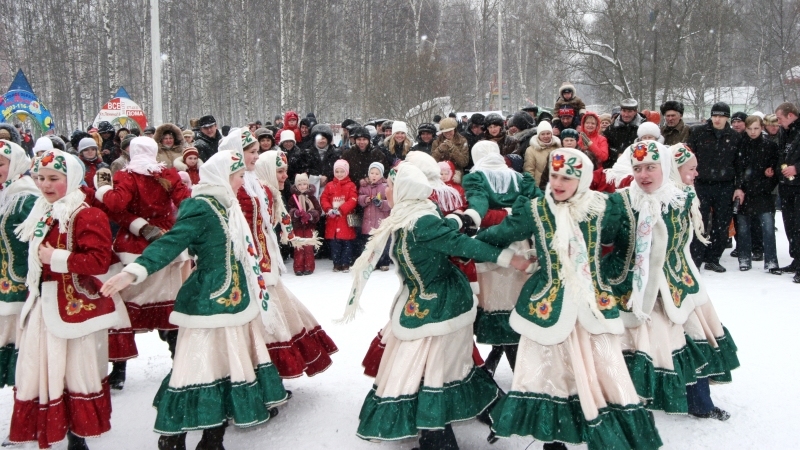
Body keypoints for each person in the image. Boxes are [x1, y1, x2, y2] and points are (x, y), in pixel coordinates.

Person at [101, 150, 288, 449]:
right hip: (206, 302)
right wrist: (134, 271)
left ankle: (213, 438)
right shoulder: (201, 207)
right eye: (239, 176)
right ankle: (173, 436)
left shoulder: (227, 205)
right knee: (195, 368)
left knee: (227, 367)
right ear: (225, 176)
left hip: (235, 301)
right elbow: (173, 242)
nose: (242, 182)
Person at [476, 147, 662, 450]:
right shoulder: (536, 209)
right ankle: (554, 440)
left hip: (591, 309)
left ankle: (602, 433)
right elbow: (497, 234)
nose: (559, 183)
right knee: (550, 376)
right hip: (546, 308)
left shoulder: (603, 207)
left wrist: (605, 278)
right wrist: (465, 244)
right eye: (555, 175)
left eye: (568, 177)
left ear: (584, 179)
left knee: (599, 376)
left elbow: (622, 242)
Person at [341, 163, 527, 450]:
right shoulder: (408, 214)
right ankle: (443, 434)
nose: (386, 190)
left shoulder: (420, 219)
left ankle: (442, 439)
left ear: (405, 189)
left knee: (436, 372)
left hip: (441, 304)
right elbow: (447, 229)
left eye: (391, 185)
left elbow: (459, 244)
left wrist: (506, 258)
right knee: (434, 371)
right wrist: (456, 220)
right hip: (423, 302)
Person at [11, 149, 121, 449]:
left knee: (74, 371)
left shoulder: (87, 214)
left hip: (75, 310)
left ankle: (76, 435)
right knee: (41, 368)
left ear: (70, 178)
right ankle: (52, 426)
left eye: (53, 178)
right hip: (42, 304)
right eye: (40, 178)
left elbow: (99, 261)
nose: (45, 185)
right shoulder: (42, 211)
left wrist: (57, 257)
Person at [611, 141, 712, 415]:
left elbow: (684, 245)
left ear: (664, 167)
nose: (643, 175)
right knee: (633, 348)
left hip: (675, 287)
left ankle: (699, 403)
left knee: (688, 340)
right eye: (637, 168)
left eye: (650, 167)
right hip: (631, 290)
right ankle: (629, 410)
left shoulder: (681, 199)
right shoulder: (621, 200)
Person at [93, 136, 191, 390]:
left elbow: (115, 205)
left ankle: (119, 368)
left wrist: (102, 189)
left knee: (123, 308)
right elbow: (186, 201)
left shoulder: (126, 176)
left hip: (133, 248)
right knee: (169, 303)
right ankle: (180, 361)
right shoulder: (167, 173)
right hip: (166, 245)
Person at [670, 143, 740, 421]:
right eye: (691, 169)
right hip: (675, 282)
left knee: (691, 337)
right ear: (675, 171)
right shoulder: (670, 200)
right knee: (691, 337)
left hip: (686, 277)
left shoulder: (685, 194)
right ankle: (696, 401)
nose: (697, 174)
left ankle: (694, 399)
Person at [253, 150, 338, 378]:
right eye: (279, 171)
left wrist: (296, 238)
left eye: (285, 171)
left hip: (265, 261)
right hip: (259, 265)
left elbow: (282, 222)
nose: (284, 176)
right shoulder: (259, 192)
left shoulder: (268, 192)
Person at [461, 141, 541, 375]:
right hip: (521, 246)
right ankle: (500, 358)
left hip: (492, 247)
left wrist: (478, 218)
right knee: (515, 303)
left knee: (498, 306)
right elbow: (539, 204)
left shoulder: (476, 178)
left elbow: (479, 212)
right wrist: (514, 215)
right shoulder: (521, 179)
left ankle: (518, 373)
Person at [687, 102, 744, 272]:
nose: (717, 119)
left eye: (721, 116)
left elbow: (739, 164)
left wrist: (738, 186)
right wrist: (689, 179)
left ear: (727, 117)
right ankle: (695, 259)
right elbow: (688, 157)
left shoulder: (734, 136)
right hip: (701, 184)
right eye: (714, 115)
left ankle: (713, 258)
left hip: (725, 185)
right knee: (700, 222)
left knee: (722, 224)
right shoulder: (698, 132)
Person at [0, 141, 39, 388]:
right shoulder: (4, 195)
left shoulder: (25, 197)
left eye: (0, 164)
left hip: (19, 286)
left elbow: (38, 239)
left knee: (22, 349)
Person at [735, 116, 781, 272]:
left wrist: (767, 185)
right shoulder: (741, 145)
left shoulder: (770, 146)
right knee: (743, 227)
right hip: (744, 191)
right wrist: (739, 187)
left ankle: (771, 260)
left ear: (762, 128)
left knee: (768, 227)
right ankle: (744, 258)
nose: (753, 132)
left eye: (756, 128)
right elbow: (738, 169)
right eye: (749, 129)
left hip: (763, 192)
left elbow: (775, 171)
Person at [775, 102, 800, 281]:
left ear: (790, 115)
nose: (778, 122)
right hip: (786, 185)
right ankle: (796, 259)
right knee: (790, 225)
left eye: (780, 118)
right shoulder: (785, 131)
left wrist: (796, 168)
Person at [321, 160, 358, 272]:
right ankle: (336, 263)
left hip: (345, 220)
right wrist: (328, 209)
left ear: (346, 172)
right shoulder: (329, 185)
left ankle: (345, 263)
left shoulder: (351, 185)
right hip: (333, 220)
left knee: (347, 244)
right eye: (337, 171)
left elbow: (353, 199)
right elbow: (324, 198)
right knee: (335, 245)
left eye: (342, 171)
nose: (339, 174)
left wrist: (342, 209)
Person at [358, 162, 391, 271]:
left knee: (383, 243)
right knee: (369, 243)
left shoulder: (386, 186)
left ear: (381, 174)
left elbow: (391, 203)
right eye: (372, 173)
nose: (374, 175)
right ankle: (371, 262)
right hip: (368, 221)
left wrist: (381, 203)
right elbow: (359, 198)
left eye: (377, 173)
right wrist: (365, 199)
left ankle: (384, 261)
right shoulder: (364, 186)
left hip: (382, 221)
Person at [289, 173, 322, 275]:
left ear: (308, 185)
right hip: (298, 226)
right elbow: (289, 210)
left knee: (308, 247)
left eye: (304, 184)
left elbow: (318, 211)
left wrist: (310, 215)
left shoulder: (312, 198)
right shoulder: (293, 198)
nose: (302, 186)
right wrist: (296, 213)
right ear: (296, 186)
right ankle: (298, 267)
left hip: (309, 226)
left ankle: (309, 267)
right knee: (299, 247)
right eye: (299, 184)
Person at [604, 98, 644, 168]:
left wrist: (630, 155)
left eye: (629, 111)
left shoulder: (643, 128)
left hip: (637, 165)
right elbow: (605, 146)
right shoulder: (611, 129)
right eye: (624, 111)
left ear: (635, 112)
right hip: (615, 165)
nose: (626, 114)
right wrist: (616, 154)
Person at [523, 120, 562, 189]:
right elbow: (529, 170)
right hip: (539, 186)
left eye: (548, 133)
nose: (546, 136)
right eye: (543, 134)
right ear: (538, 135)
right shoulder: (531, 150)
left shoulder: (558, 147)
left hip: (556, 185)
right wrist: (532, 187)